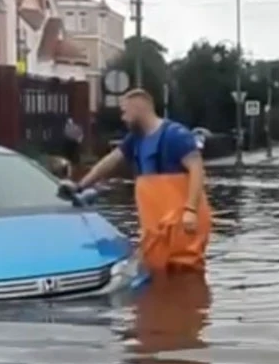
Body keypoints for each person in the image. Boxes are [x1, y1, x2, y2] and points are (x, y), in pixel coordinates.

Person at [72, 88, 212, 274]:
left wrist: (191, 210)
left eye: (125, 111)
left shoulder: (176, 135)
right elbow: (110, 161)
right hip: (156, 226)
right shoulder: (136, 140)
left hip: (182, 223)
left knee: (185, 275)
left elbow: (197, 169)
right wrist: (80, 186)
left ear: (138, 108)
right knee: (156, 274)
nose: (123, 118)